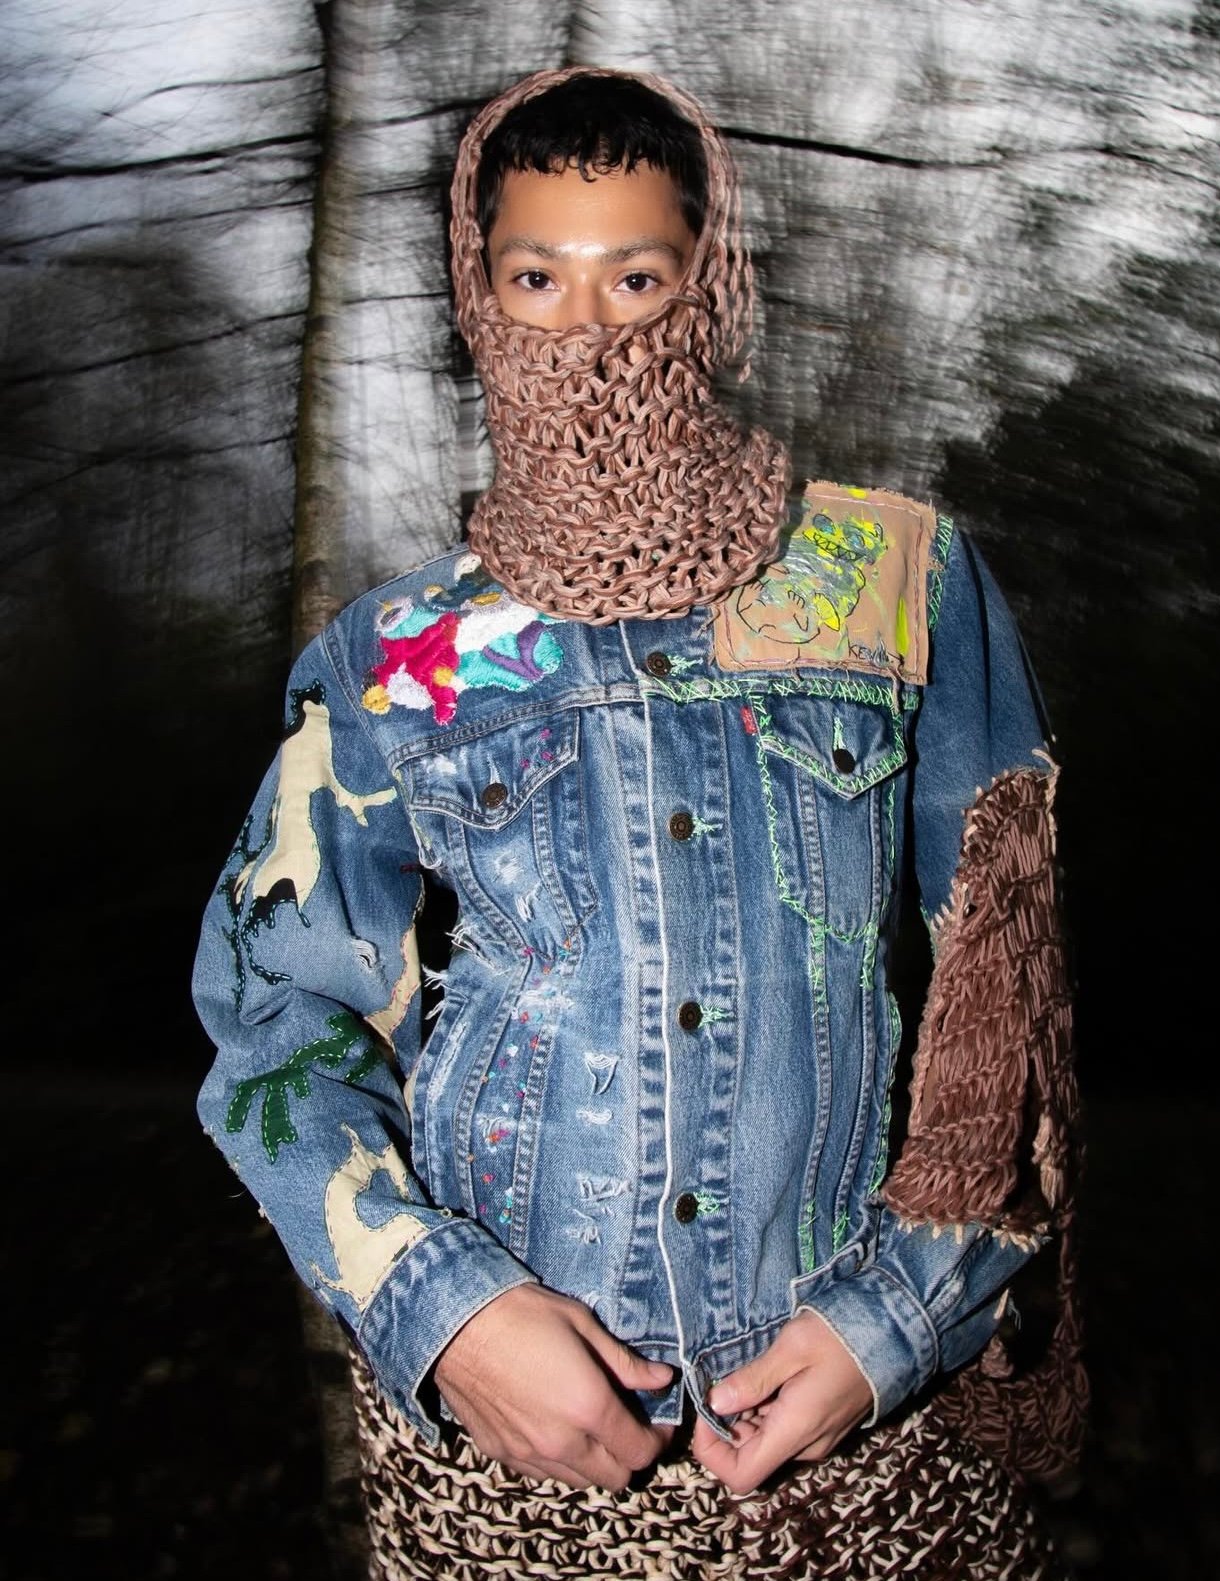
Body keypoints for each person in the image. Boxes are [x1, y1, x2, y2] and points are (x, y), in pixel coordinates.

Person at [194, 65, 1084, 1577]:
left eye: (639, 276)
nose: (590, 329)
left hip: (863, 1444)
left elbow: (1007, 1005)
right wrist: (442, 1310)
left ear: (709, 286)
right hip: (504, 1460)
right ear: (477, 295)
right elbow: (278, 1020)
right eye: (537, 277)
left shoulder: (895, 583)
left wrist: (898, 1317)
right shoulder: (398, 657)